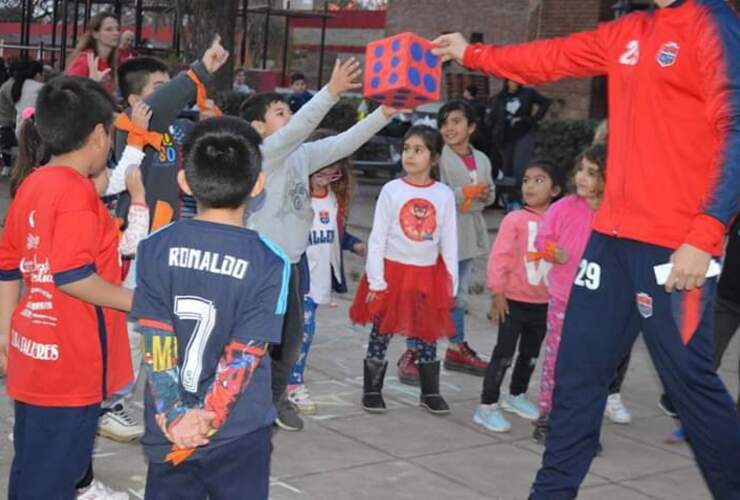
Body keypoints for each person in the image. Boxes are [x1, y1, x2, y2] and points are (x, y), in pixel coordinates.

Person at [433, 0, 740, 496]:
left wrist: (704, 236)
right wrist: (473, 54)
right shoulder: (630, 30)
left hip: (675, 249)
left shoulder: (713, 22)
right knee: (577, 380)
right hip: (610, 242)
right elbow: (550, 57)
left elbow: (737, 128)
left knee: (691, 388)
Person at [130, 116, 288, 500]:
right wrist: (207, 421)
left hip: (169, 428)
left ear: (185, 181)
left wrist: (176, 417)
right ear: (258, 185)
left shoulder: (154, 246)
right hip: (238, 432)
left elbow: (157, 342)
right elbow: (244, 356)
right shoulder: (271, 261)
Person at [241, 57, 396, 432]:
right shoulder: (265, 154)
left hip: (292, 265)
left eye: (289, 109)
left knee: (289, 343)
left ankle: (275, 399)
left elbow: (345, 142)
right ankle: (244, 401)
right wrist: (331, 92)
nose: (290, 116)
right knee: (254, 342)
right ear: (258, 127)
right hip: (261, 265)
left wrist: (384, 114)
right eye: (280, 111)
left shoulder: (302, 156)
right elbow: (300, 130)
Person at [0, 75, 133, 499]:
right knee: (54, 476)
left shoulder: (34, 182)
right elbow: (72, 275)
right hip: (71, 366)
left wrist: (5, 333)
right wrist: (143, 301)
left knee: (35, 468)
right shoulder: (74, 193)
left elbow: (7, 266)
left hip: (33, 353)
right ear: (98, 135)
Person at [350, 125, 458, 415]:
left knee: (426, 333)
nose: (410, 155)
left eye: (419, 150)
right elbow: (378, 237)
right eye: (407, 148)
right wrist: (376, 280)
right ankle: (372, 390)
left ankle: (430, 391)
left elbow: (449, 241)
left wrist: (452, 284)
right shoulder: (392, 190)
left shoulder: (444, 195)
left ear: (434, 158)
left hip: (427, 275)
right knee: (381, 330)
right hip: (391, 274)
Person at [531, 145, 631, 445]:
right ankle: (548, 416)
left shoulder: (619, 213)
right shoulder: (562, 208)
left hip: (603, 304)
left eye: (592, 172)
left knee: (596, 366)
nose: (582, 178)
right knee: (557, 360)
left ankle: (586, 426)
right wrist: (552, 251)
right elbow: (542, 240)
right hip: (564, 298)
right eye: (581, 170)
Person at [397, 100, 494, 384]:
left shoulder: (483, 159)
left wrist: (485, 194)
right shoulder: (439, 158)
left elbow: (489, 193)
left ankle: (456, 345)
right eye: (444, 123)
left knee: (458, 296)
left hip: (467, 234)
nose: (449, 128)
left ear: (471, 127)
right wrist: (466, 193)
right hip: (439, 236)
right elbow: (436, 194)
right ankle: (412, 351)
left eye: (456, 121)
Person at [473, 160, 562, 433]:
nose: (529, 186)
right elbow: (499, 259)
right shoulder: (515, 219)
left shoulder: (560, 221)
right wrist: (497, 293)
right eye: (526, 180)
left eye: (539, 180)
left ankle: (516, 395)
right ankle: (486, 406)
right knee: (504, 354)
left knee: (531, 353)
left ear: (555, 190)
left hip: (544, 303)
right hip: (512, 301)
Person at [286, 129, 366, 415]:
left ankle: (290, 380)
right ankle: (292, 383)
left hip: (319, 280)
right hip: (297, 278)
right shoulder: (295, 196)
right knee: (298, 333)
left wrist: (355, 245)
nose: (324, 173)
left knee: (304, 333)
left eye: (332, 167)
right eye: (319, 165)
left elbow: (333, 235)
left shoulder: (334, 199)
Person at [113, 38, 229, 227]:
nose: (172, 96)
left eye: (170, 85)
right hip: (136, 230)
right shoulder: (127, 124)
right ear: (134, 100)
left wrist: (213, 123)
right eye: (161, 89)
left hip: (171, 230)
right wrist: (200, 72)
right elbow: (157, 106)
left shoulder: (181, 126)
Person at [489, 80, 550, 209]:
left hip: (523, 133)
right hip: (506, 137)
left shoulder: (527, 93)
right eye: (510, 81)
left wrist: (532, 119)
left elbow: (545, 102)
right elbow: (493, 118)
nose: (513, 83)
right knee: (507, 168)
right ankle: (509, 200)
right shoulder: (500, 97)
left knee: (520, 166)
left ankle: (518, 199)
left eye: (515, 81)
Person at [67, 12, 120, 93]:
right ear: (95, 34)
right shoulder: (85, 60)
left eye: (117, 29)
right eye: (108, 29)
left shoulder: (108, 61)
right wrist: (92, 85)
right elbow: (70, 93)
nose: (116, 33)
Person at [11, 60, 43, 138]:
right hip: (35, 132)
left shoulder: (18, 86)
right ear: (38, 75)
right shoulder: (40, 88)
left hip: (20, 130)